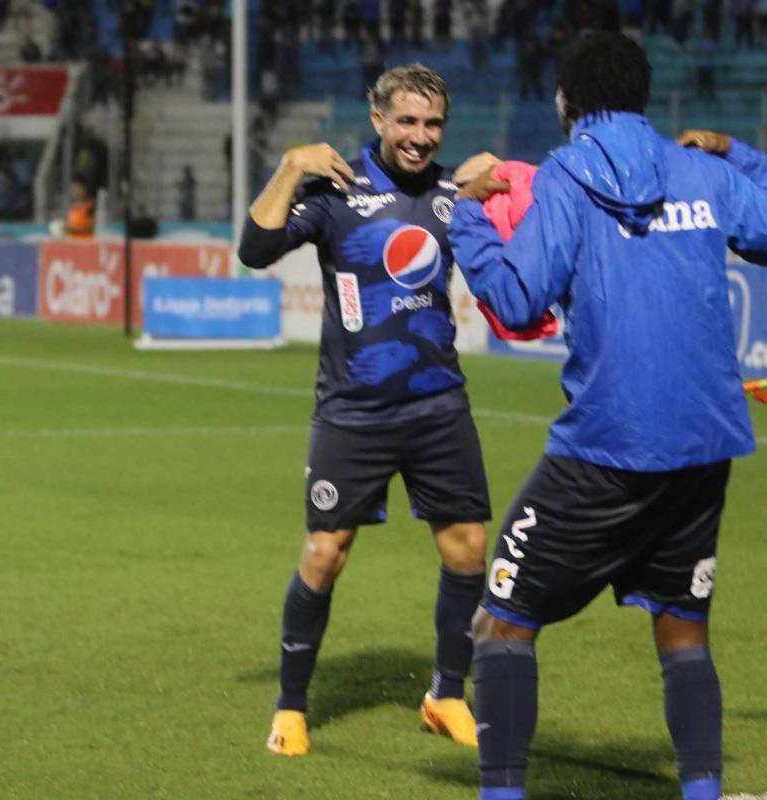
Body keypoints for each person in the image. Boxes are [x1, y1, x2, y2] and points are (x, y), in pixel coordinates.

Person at [447, 31, 767, 800]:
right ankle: (701, 791)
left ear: (567, 103)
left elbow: (517, 298)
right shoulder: (702, 170)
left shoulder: (567, 176)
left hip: (605, 448)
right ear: (644, 97)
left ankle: (501, 791)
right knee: (682, 627)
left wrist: (467, 215)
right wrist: (738, 153)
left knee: (500, 621)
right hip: (704, 445)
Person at [236, 64, 492, 758]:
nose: (420, 137)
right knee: (324, 554)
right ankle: (291, 707)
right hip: (353, 410)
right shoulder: (334, 191)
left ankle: (446, 695)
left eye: (432, 124)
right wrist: (290, 166)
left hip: (439, 404)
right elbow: (254, 250)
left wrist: (503, 183)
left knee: (468, 550)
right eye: (406, 122)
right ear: (377, 119)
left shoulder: (451, 193)